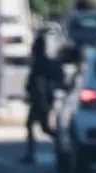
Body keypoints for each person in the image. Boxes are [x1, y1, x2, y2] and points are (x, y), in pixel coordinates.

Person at [21, 29, 62, 164]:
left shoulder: (40, 63)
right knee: (38, 126)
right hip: (41, 99)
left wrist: (42, 101)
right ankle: (32, 152)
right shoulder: (43, 61)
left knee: (41, 127)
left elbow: (40, 83)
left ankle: (61, 145)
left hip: (40, 99)